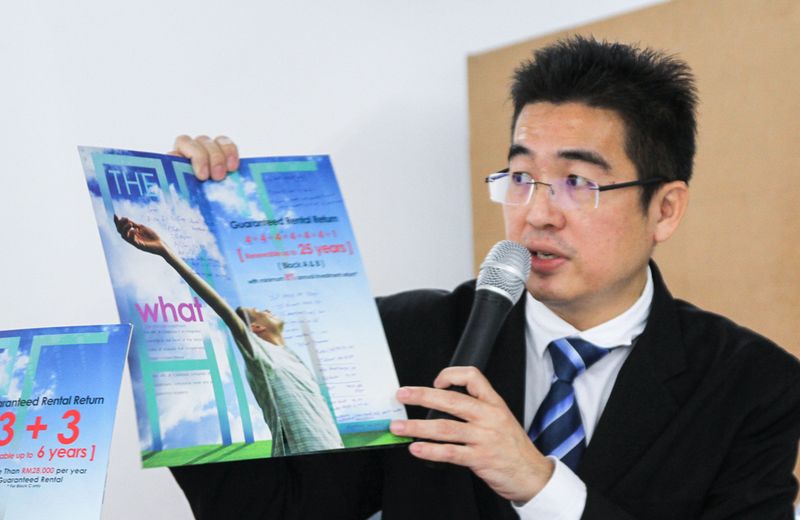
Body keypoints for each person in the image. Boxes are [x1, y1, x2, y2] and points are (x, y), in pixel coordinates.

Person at [168, 36, 800, 519]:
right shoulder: (406, 336)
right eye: (520, 178)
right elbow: (272, 510)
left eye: (578, 182)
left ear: (665, 208)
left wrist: (541, 485)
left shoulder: (754, 386)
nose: (536, 214)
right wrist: (197, 253)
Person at [114, 215, 343, 456]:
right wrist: (165, 251)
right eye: (261, 312)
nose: (268, 310)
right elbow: (221, 307)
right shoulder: (259, 355)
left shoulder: (293, 358)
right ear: (256, 329)